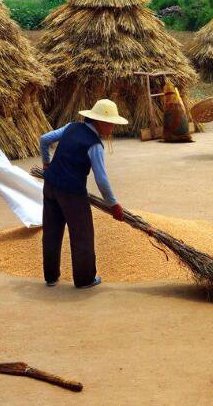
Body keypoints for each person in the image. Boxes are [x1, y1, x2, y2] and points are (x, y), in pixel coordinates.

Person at [39, 99, 127, 289]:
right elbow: (101, 180)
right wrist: (113, 204)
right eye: (111, 123)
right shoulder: (94, 145)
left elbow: (44, 139)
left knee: (51, 232)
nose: (112, 128)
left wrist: (46, 163)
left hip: (51, 186)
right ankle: (85, 279)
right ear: (100, 122)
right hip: (72, 193)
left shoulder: (72, 127)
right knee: (82, 235)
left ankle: (51, 276)